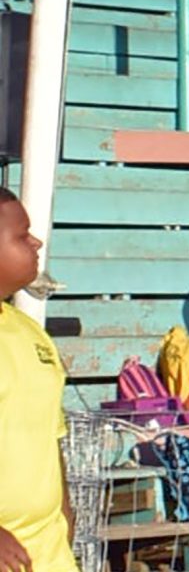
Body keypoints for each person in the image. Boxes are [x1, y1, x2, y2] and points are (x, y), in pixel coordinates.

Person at [0, 186, 73, 572]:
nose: (36, 242)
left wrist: (66, 516)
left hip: (48, 553)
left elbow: (50, 440)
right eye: (21, 235)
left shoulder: (31, 333)